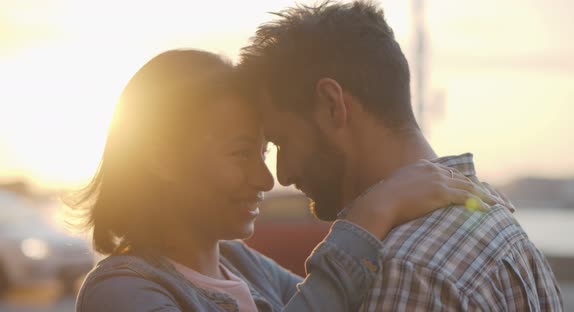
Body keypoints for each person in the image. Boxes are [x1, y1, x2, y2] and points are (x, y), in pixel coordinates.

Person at [70, 49, 499, 312]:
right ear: (161, 158)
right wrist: (372, 213)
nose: (264, 178)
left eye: (265, 151)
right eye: (241, 153)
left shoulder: (243, 266)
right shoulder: (120, 293)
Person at [238, 1, 563, 310]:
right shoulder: (500, 223)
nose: (282, 175)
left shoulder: (404, 268)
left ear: (332, 104)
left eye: (281, 142)